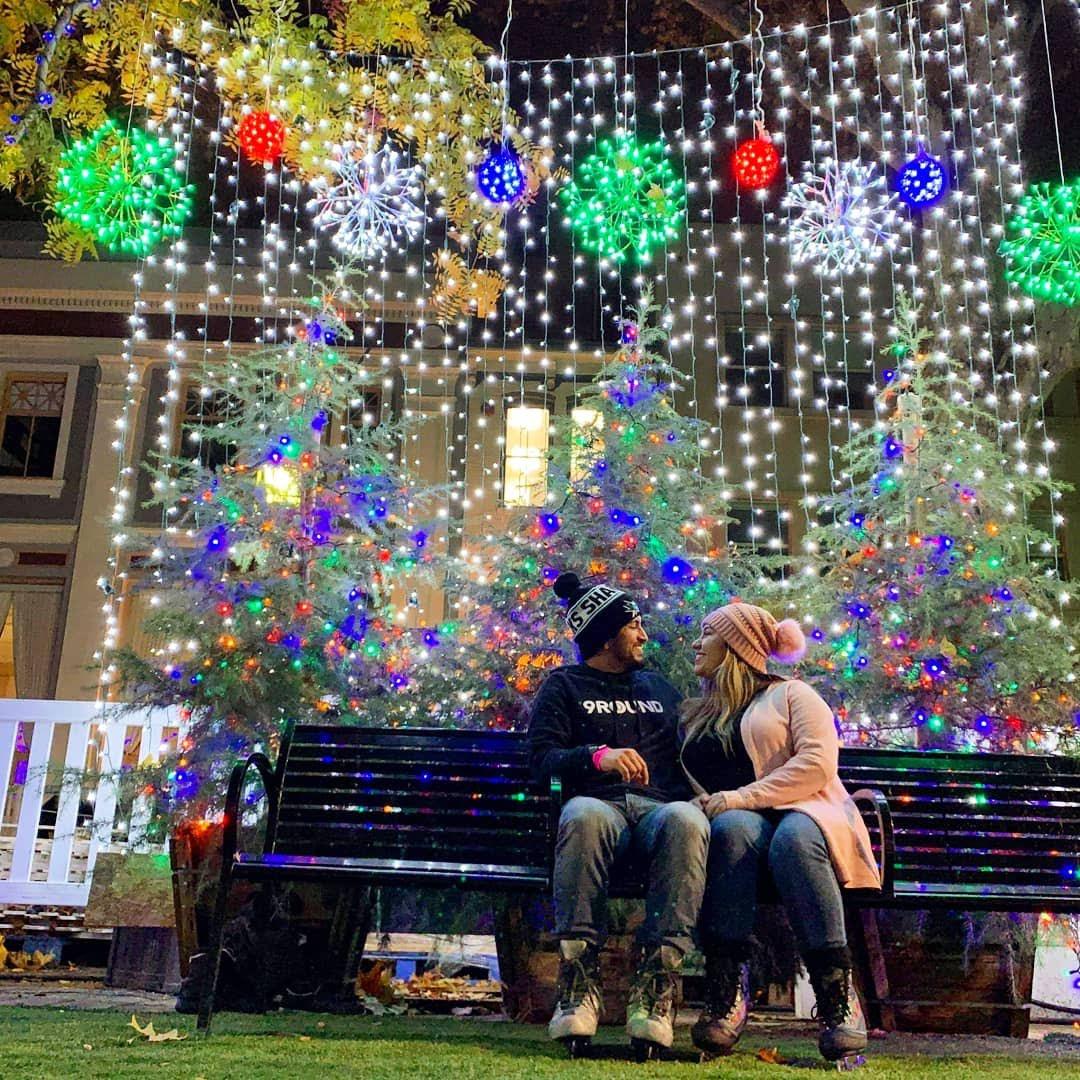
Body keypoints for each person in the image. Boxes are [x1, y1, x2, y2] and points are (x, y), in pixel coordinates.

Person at [679, 602, 880, 1065]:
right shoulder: (697, 713)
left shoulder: (793, 695)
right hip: (738, 824)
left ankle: (835, 994)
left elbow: (815, 766)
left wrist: (742, 796)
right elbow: (688, 780)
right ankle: (727, 987)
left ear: (735, 646)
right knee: (729, 829)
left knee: (793, 840)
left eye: (707, 634)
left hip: (808, 811)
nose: (696, 642)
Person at [528, 571, 709, 1056]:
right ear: (607, 635)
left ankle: (656, 983)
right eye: (634, 626)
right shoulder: (563, 686)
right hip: (599, 807)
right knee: (583, 813)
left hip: (657, 810)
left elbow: (696, 749)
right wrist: (594, 756)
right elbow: (539, 760)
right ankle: (578, 980)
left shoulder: (659, 687)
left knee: (688, 820)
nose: (644, 635)